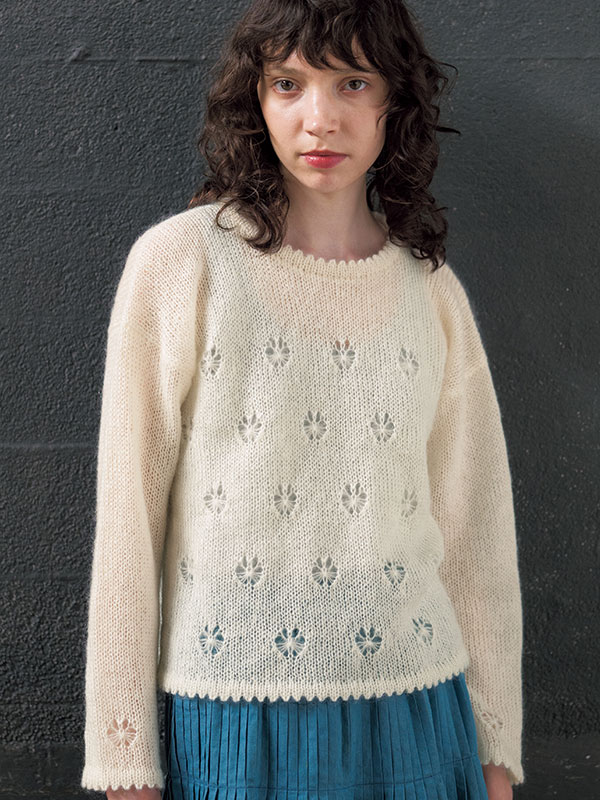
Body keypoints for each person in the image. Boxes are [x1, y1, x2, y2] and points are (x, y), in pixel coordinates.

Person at [80, 1, 525, 799]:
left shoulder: (431, 292)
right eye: (288, 84)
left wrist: (495, 754)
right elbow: (127, 527)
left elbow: (476, 536)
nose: (319, 119)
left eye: (352, 83)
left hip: (421, 714)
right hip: (233, 712)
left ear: (395, 101)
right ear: (256, 99)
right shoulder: (181, 265)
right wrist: (124, 763)